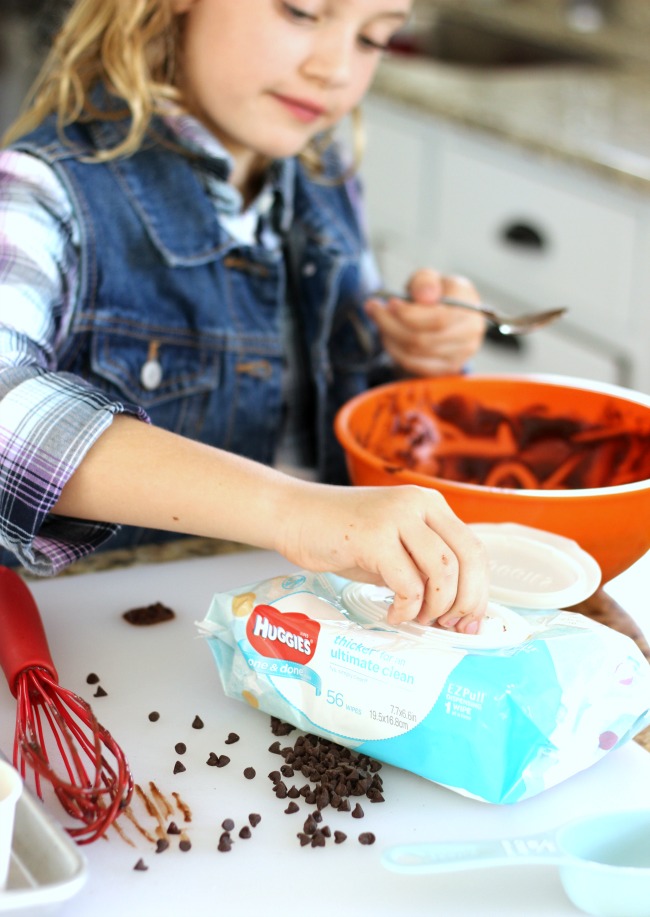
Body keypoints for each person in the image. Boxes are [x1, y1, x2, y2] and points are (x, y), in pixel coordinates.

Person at [0, 0, 489, 632]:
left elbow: (354, 428)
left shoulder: (325, 184)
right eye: (302, 13)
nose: (335, 68)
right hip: (99, 649)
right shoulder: (39, 190)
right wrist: (294, 510)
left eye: (374, 38)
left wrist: (418, 361)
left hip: (293, 642)